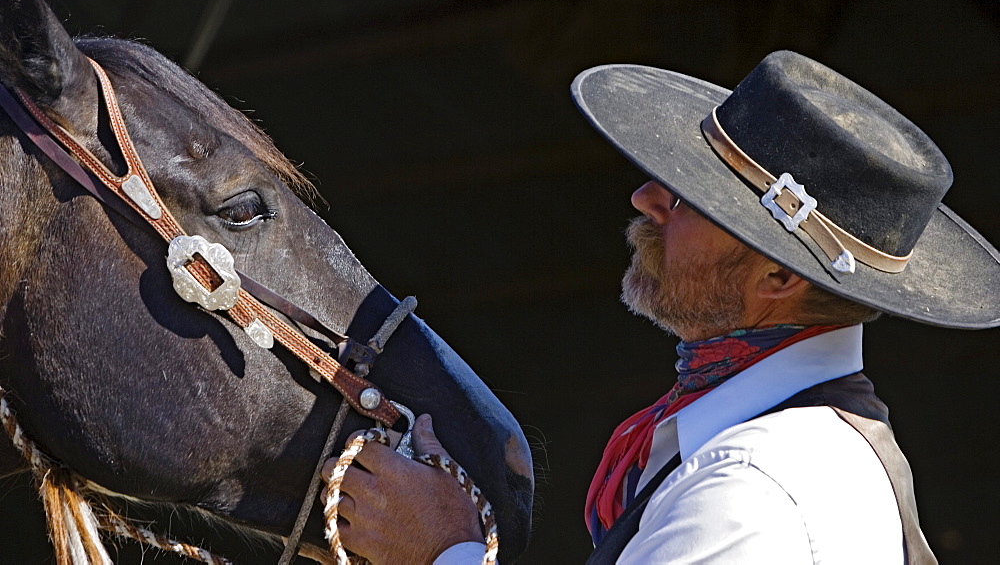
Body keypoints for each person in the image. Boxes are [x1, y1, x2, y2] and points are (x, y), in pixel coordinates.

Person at [321, 51, 1000, 563]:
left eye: (693, 197)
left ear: (777, 279)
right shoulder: (773, 452)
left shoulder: (757, 492)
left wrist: (444, 551)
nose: (647, 198)